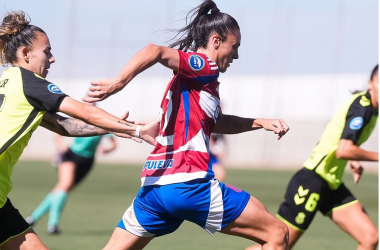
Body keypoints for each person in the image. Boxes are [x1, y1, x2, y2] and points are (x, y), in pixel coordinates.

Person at [85, 1, 290, 249]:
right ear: (216, 41)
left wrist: (259, 122)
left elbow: (219, 122)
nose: (236, 55)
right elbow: (155, 50)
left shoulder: (197, 82)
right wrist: (118, 82)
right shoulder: (206, 65)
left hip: (155, 185)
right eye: (234, 47)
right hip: (188, 182)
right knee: (277, 233)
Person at [0, 11, 158, 250]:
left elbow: (61, 125)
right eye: (47, 51)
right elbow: (83, 111)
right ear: (25, 54)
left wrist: (114, 128)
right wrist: (136, 129)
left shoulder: (9, 81)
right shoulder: (30, 82)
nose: (52, 59)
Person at [247, 65, 379, 250]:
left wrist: (354, 159)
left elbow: (341, 141)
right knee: (278, 246)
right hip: (311, 182)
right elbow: (343, 149)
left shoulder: (371, 110)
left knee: (370, 237)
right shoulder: (362, 107)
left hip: (331, 183)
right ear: (371, 84)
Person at [25, 129, 117, 234]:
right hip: (71, 156)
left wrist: (107, 150)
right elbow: (58, 134)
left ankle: (32, 218)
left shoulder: (103, 125)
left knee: (61, 190)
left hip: (87, 162)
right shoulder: (82, 121)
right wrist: (61, 145)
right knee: (65, 185)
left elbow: (114, 144)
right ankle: (52, 225)